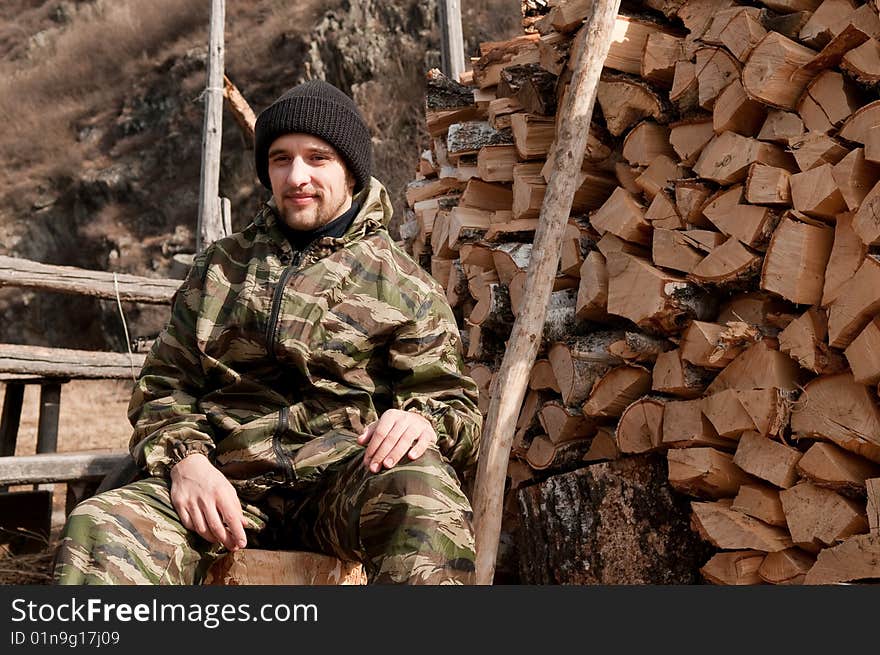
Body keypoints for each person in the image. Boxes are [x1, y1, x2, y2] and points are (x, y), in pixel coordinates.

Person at [53, 79, 482, 585]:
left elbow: (454, 406)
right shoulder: (219, 268)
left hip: (338, 488)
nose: (296, 176)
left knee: (423, 494)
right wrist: (187, 461)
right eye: (281, 159)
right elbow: (164, 389)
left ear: (350, 168)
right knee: (97, 528)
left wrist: (423, 420)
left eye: (316, 157)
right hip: (221, 487)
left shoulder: (403, 284)